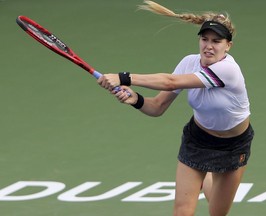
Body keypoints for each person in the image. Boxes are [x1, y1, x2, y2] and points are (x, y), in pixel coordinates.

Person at [98, 1, 254, 215]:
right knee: (182, 212)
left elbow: (170, 82)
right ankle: (202, 173)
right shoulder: (188, 63)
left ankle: (207, 176)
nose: (209, 45)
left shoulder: (229, 70)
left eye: (216, 41)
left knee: (217, 212)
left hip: (232, 146)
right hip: (198, 140)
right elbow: (157, 106)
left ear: (228, 46)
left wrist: (124, 77)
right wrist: (136, 99)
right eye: (204, 39)